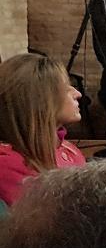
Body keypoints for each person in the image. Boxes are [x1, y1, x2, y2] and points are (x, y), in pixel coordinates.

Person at [0, 53, 86, 206]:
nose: (77, 94)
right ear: (41, 101)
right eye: (65, 88)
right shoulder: (7, 165)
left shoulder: (68, 149)